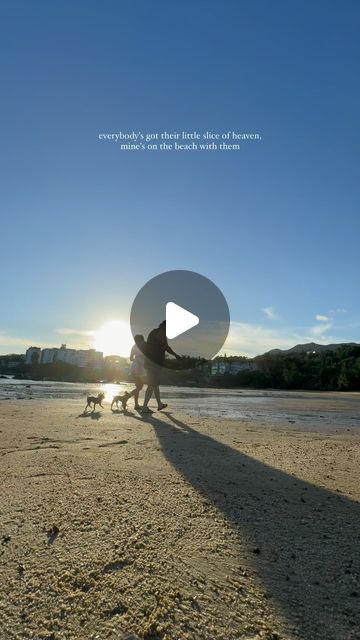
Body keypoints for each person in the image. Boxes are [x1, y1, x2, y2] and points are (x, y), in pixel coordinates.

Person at [141, 320, 181, 413]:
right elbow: (166, 346)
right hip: (154, 363)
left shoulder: (153, 331)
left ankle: (159, 404)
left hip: (150, 362)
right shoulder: (161, 333)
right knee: (152, 384)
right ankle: (144, 406)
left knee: (155, 384)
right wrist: (175, 355)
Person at [122, 334, 147, 410]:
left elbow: (130, 358)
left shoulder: (134, 346)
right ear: (142, 339)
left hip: (134, 366)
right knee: (139, 387)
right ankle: (127, 397)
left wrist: (137, 358)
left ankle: (136, 405)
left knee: (138, 387)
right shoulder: (144, 345)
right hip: (140, 367)